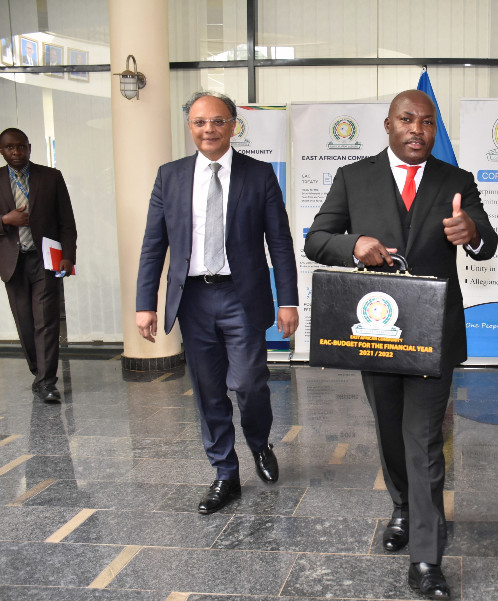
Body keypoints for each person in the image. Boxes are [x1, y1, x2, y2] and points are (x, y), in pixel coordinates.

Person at [304, 89, 497, 600]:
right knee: (390, 431)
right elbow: (316, 237)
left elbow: (487, 243)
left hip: (433, 336)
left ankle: (427, 557)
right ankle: (405, 507)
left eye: (427, 122)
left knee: (425, 439)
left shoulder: (457, 181)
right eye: (407, 120)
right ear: (388, 125)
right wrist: (354, 246)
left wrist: (470, 231)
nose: (418, 129)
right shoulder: (355, 177)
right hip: (378, 334)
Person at [135, 92, 299, 515]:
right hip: (192, 299)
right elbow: (154, 244)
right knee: (208, 390)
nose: (208, 129)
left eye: (217, 121)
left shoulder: (258, 175)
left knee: (248, 384)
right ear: (190, 126)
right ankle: (225, 472)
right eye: (199, 122)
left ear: (232, 125)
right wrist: (145, 303)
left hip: (241, 296)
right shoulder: (169, 176)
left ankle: (259, 442)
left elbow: (279, 243)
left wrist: (289, 301)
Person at [0, 128, 77, 403]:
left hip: (45, 260)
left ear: (30, 147)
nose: (17, 152)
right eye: (10, 148)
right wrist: (5, 221)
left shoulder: (50, 177)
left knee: (46, 321)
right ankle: (38, 372)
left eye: (21, 147)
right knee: (25, 323)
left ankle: (47, 382)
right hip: (12, 263)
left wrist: (69, 255)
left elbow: (66, 221)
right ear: (2, 151)